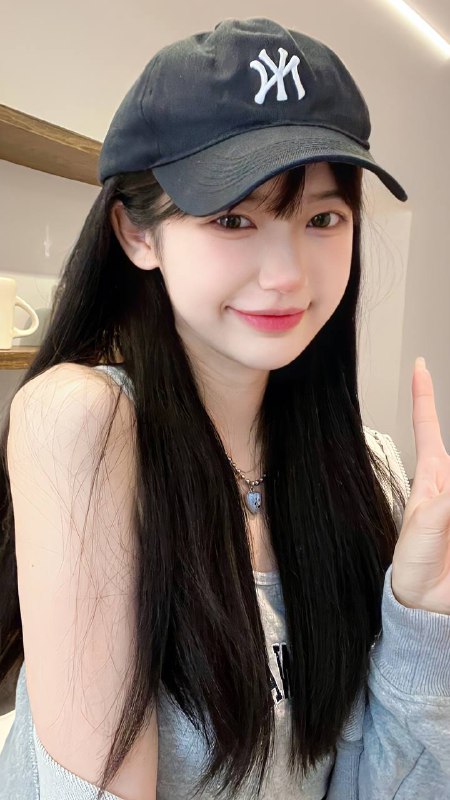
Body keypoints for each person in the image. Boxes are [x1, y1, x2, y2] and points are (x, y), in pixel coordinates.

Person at [0, 16, 449, 800]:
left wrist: (421, 613)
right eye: (233, 218)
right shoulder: (83, 422)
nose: (287, 274)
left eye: (323, 219)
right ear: (137, 234)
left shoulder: (369, 470)